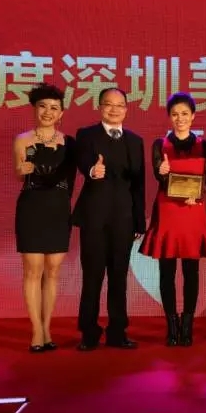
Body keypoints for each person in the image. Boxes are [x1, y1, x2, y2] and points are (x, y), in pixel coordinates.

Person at [139, 92, 206, 347]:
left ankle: (187, 326)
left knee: (191, 271)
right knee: (167, 270)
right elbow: (159, 177)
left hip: (193, 211)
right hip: (168, 211)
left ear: (193, 116)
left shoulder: (204, 145)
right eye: (175, 114)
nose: (180, 118)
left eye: (184, 114)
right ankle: (171, 326)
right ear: (169, 117)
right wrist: (161, 171)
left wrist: (199, 194)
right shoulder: (159, 145)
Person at [72, 87, 146, 351]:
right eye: (108, 104)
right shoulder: (86, 135)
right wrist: (93, 170)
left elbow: (138, 185)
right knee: (92, 277)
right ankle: (89, 333)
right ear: (100, 107)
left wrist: (139, 221)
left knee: (118, 278)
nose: (114, 109)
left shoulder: (135, 141)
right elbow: (83, 162)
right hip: (94, 217)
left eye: (119, 105)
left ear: (126, 109)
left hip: (123, 218)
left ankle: (117, 332)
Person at [13, 83, 76, 353]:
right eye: (43, 107)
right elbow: (20, 172)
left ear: (61, 113)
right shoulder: (23, 140)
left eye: (54, 108)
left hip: (58, 209)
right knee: (32, 270)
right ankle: (36, 331)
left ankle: (48, 328)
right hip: (31, 207)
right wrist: (21, 168)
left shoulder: (70, 143)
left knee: (53, 271)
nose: (48, 112)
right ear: (34, 109)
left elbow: (72, 179)